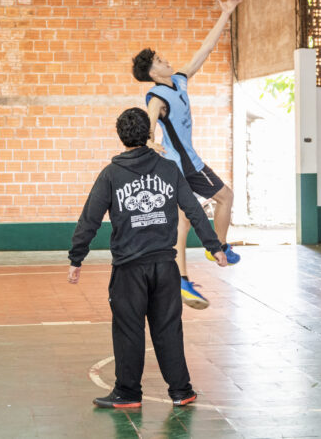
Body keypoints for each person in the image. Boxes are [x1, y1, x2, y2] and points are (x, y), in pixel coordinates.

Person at [68, 107, 227, 409]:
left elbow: (89, 219)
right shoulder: (169, 170)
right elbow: (194, 209)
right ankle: (181, 391)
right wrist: (214, 246)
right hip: (166, 267)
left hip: (129, 270)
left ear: (120, 137)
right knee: (168, 329)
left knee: (129, 329)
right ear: (149, 134)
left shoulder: (111, 174)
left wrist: (77, 259)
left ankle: (127, 394)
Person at [132, 0, 243, 310]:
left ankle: (216, 246)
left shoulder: (179, 79)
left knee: (226, 197)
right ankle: (182, 281)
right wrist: (150, 141)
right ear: (153, 73)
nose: (165, 60)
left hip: (193, 162)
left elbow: (204, 50)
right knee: (182, 221)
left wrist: (227, 13)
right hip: (173, 167)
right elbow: (149, 123)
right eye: (159, 60)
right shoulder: (156, 96)